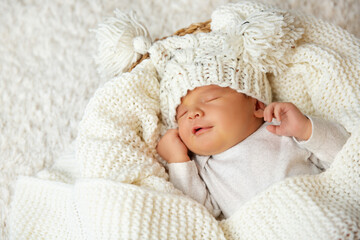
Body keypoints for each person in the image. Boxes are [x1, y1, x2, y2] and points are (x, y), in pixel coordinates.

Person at [156, 84, 349, 219]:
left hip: (321, 212)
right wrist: (178, 160)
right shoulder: (202, 167)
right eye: (182, 113)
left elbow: (346, 159)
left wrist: (306, 129)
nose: (192, 114)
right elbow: (197, 215)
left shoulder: (283, 129)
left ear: (256, 105)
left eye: (210, 99)